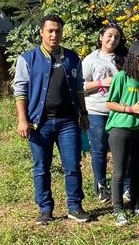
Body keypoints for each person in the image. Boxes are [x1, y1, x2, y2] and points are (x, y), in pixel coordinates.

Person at [13, 14, 90, 225]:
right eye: (50, 31)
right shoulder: (28, 59)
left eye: (58, 31)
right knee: (41, 168)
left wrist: (83, 113)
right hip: (39, 123)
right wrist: (22, 119)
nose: (55, 35)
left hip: (68, 122)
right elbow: (20, 90)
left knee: (73, 165)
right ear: (42, 32)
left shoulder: (72, 58)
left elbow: (78, 88)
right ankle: (45, 209)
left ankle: (75, 207)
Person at [105, 40, 139, 226]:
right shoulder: (122, 77)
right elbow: (110, 103)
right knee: (120, 172)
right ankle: (118, 210)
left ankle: (135, 206)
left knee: (137, 171)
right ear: (132, 57)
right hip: (121, 129)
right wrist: (129, 109)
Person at [82, 22, 129, 204]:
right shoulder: (90, 59)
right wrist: (101, 83)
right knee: (99, 151)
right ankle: (101, 186)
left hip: (120, 112)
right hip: (96, 111)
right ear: (101, 37)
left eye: (116, 37)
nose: (112, 39)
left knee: (122, 151)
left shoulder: (124, 59)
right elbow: (80, 86)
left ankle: (125, 185)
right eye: (109, 35)